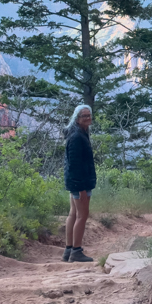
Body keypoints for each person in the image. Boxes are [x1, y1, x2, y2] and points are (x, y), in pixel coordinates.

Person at [63, 104, 97, 262]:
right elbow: (75, 164)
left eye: (89, 115)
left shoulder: (78, 133)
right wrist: (81, 188)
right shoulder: (77, 137)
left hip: (74, 182)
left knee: (73, 214)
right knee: (82, 215)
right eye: (84, 116)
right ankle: (76, 251)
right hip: (79, 183)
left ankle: (68, 250)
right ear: (77, 118)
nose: (88, 118)